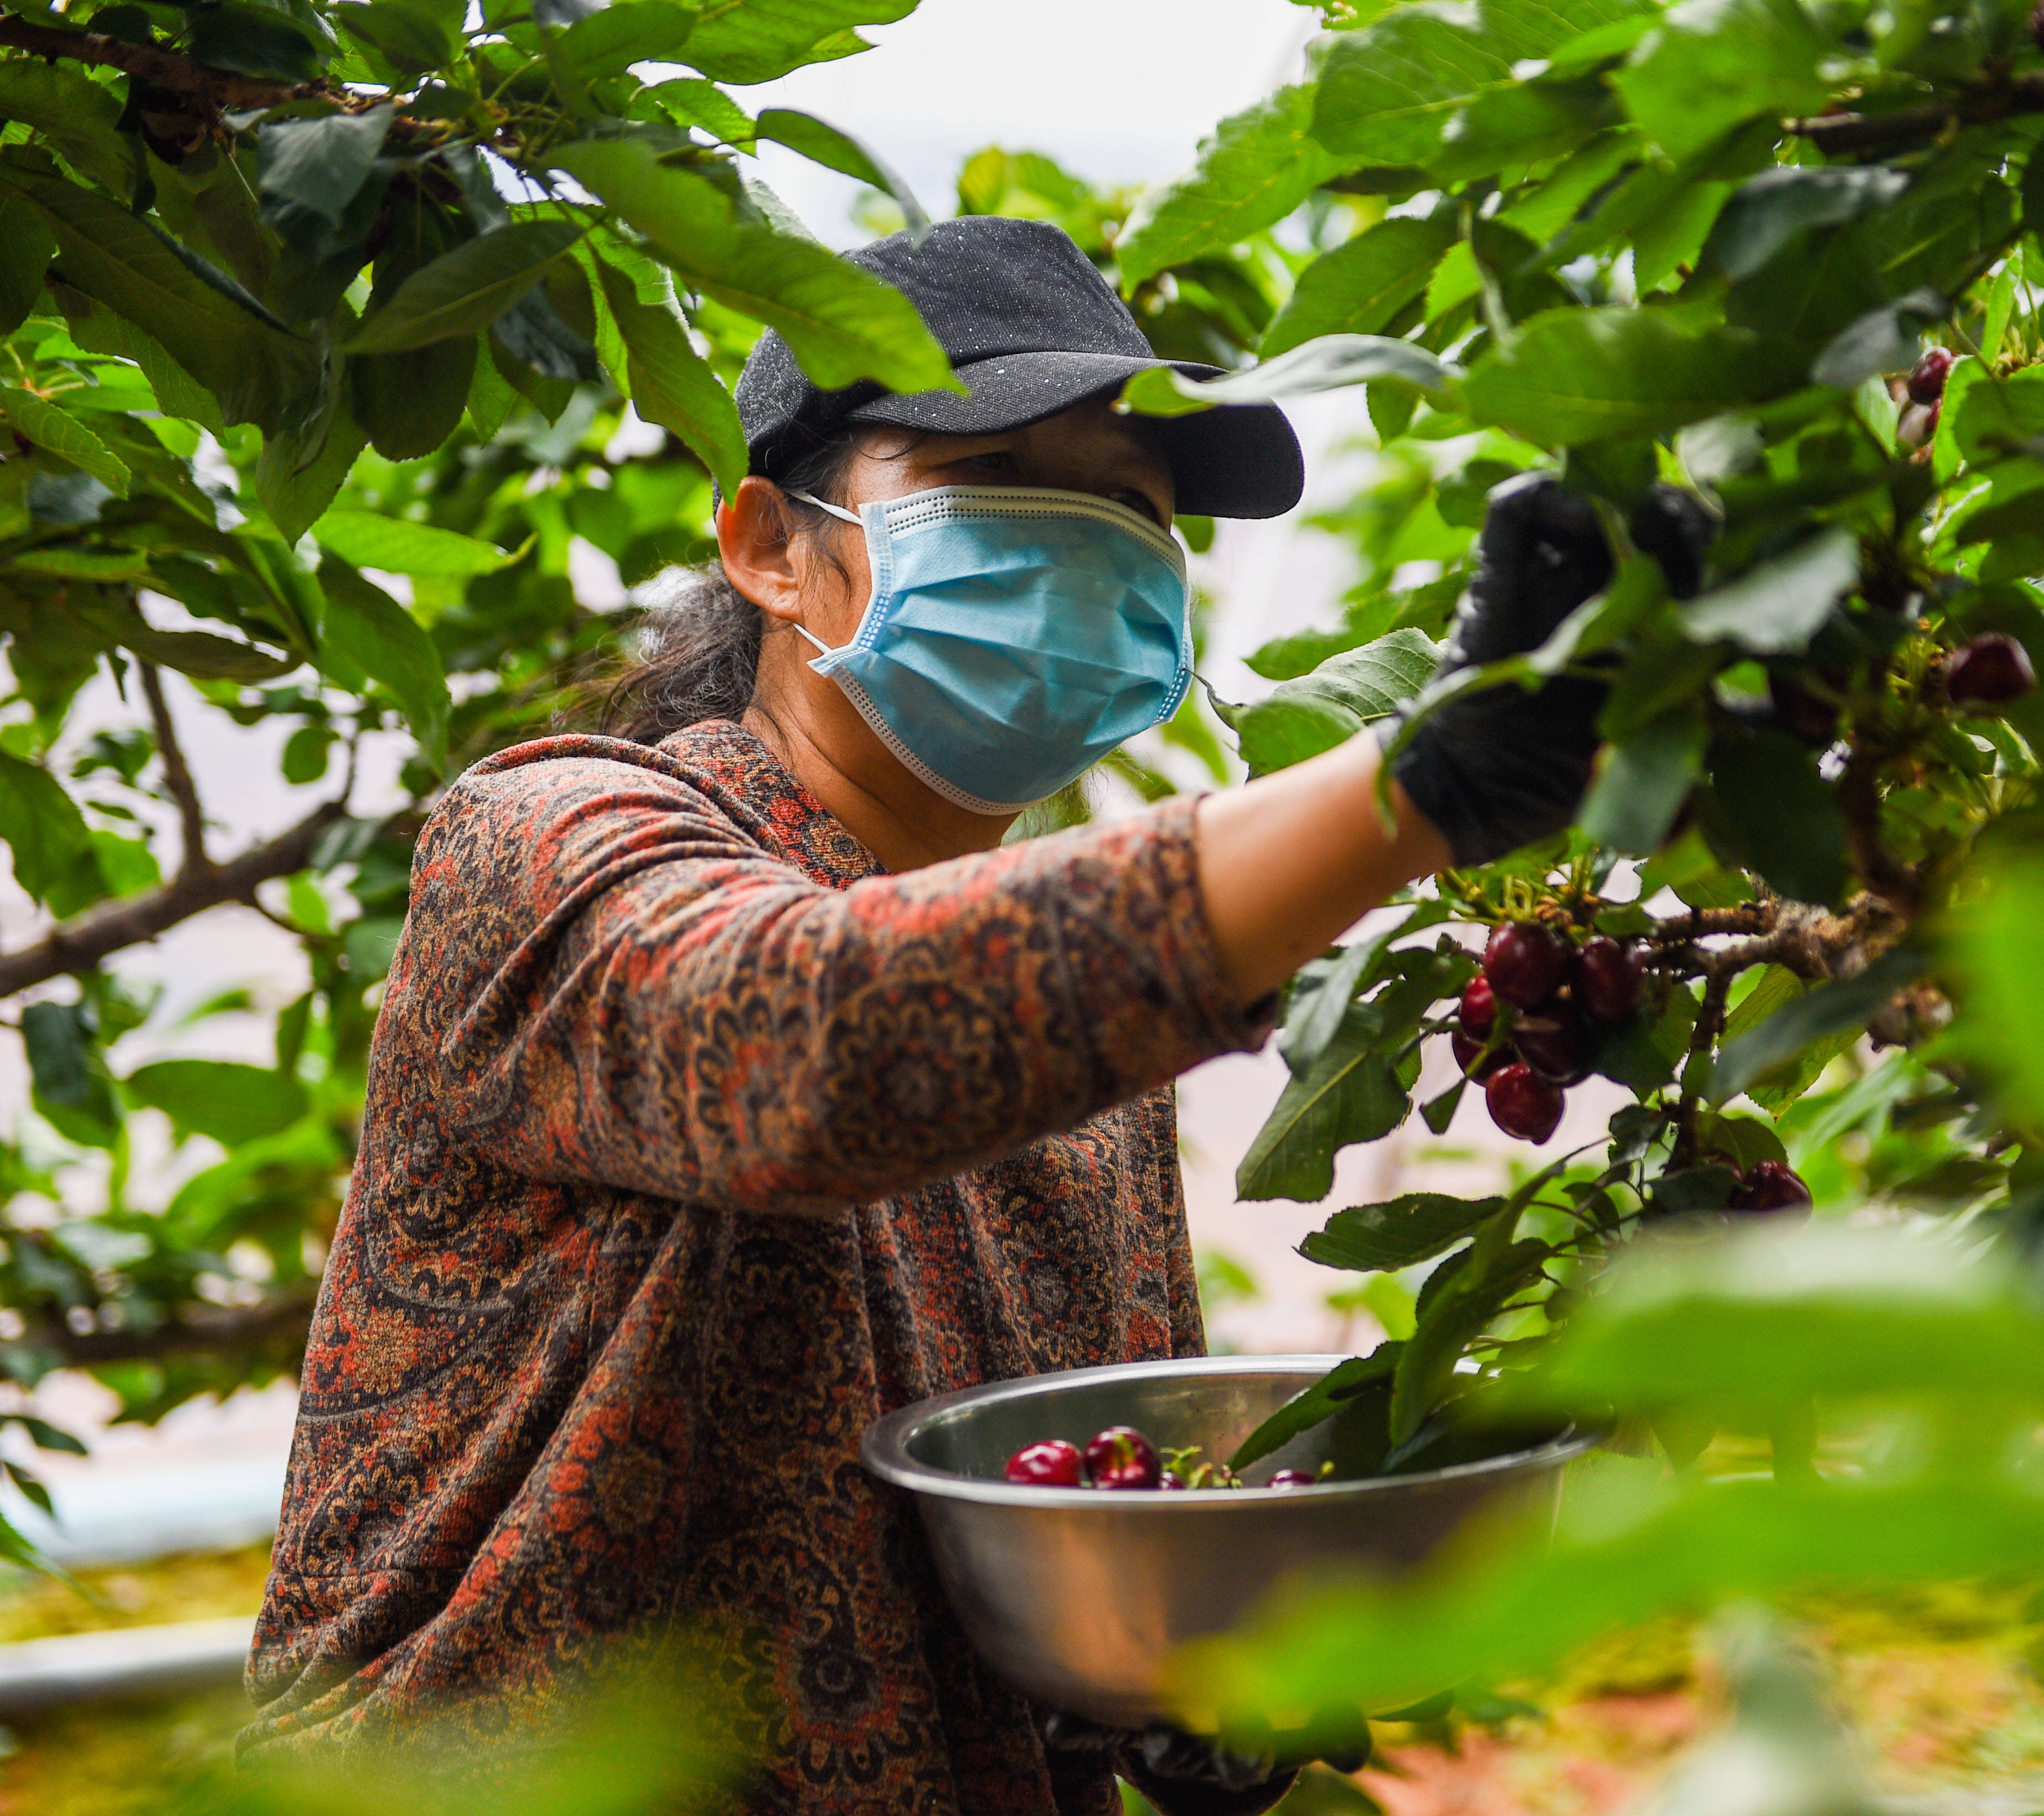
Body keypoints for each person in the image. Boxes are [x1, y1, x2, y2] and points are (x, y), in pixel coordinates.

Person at [239, 214, 1623, 1814]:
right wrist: (1420, 792)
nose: (1089, 546)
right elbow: (806, 1045)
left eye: (1129, 512)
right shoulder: (545, 846)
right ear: (769, 545)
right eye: (1009, 478)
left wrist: (1182, 1687)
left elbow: (1100, 1506)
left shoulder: (1106, 1046)